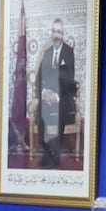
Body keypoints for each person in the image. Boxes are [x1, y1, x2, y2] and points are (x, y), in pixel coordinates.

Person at [35, 18, 77, 166]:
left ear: (63, 34)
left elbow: (69, 79)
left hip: (62, 96)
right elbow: (39, 77)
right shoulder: (47, 53)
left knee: (59, 111)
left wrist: (56, 96)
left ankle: (55, 155)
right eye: (54, 31)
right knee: (39, 111)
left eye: (59, 32)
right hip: (48, 97)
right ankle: (47, 151)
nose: (56, 35)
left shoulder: (69, 52)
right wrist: (44, 92)